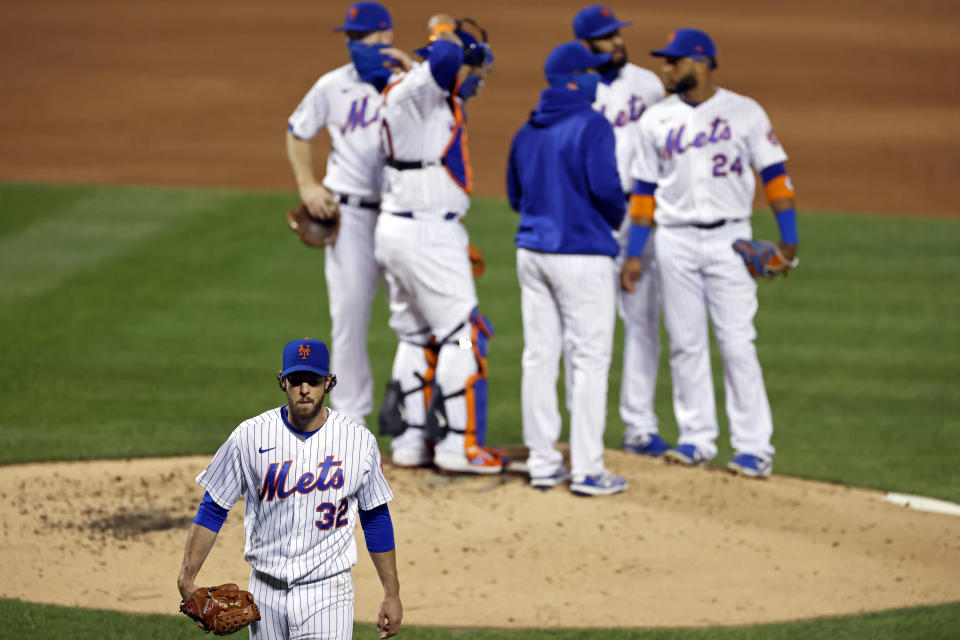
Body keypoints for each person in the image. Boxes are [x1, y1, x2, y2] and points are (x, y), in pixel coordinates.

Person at [624, 29, 799, 478]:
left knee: (737, 343)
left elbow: (775, 175)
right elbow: (644, 192)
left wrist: (788, 239)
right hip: (674, 240)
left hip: (731, 239)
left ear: (701, 63)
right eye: (665, 62)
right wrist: (635, 253)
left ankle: (754, 448)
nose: (665, 69)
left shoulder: (744, 112)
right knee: (685, 344)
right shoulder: (656, 120)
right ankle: (697, 439)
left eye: (673, 61)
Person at [176, 339, 402, 639]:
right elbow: (213, 505)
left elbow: (376, 517)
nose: (304, 388)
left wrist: (392, 593)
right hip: (264, 592)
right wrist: (186, 579)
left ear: (329, 382)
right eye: (296, 380)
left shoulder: (358, 441)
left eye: (314, 380)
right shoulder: (250, 436)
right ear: (282, 381)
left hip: (328, 593)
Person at [374, 14, 507, 474]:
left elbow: (442, 79)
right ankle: (457, 446)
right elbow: (447, 56)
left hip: (409, 228)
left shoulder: (420, 92)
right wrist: (445, 27)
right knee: (462, 334)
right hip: (424, 231)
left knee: (415, 334)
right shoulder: (420, 87)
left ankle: (412, 442)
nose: (474, 81)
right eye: (471, 71)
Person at [506, 41, 628, 496]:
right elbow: (607, 189)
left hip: (533, 253)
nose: (600, 79)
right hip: (582, 255)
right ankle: (589, 469)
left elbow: (516, 197)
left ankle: (542, 462)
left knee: (539, 355)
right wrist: (613, 219)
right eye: (593, 72)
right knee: (590, 359)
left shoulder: (527, 130)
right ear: (575, 79)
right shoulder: (592, 125)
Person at [286, 2, 412, 427]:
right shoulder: (332, 85)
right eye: (352, 39)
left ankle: (412, 418)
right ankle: (351, 423)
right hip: (351, 217)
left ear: (386, 39)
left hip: (402, 216)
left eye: (364, 39)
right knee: (349, 318)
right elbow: (298, 131)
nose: (355, 45)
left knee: (413, 318)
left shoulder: (409, 85)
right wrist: (308, 184)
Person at [573, 5, 670, 457]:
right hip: (590, 215)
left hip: (638, 210)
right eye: (605, 37)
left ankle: (639, 427)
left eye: (617, 34)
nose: (616, 42)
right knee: (585, 326)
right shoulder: (575, 87)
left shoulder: (648, 84)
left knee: (641, 320)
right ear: (585, 45)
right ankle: (581, 428)